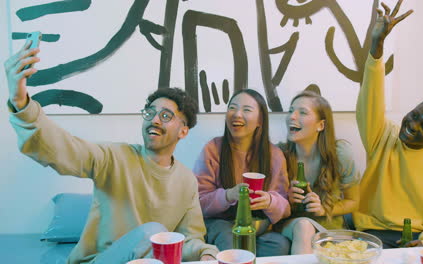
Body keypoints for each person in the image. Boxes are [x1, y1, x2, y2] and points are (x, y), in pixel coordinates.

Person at [4, 42, 218, 263]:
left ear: (183, 130)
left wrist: (206, 253)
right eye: (150, 113)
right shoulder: (114, 157)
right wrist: (21, 103)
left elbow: (188, 239)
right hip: (99, 260)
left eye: (165, 116)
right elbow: (64, 149)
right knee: (152, 233)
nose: (154, 119)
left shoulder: (186, 180)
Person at [353, 0, 423, 248]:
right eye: (415, 115)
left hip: (416, 238)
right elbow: (371, 98)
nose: (412, 126)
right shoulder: (383, 136)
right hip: (371, 234)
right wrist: (377, 44)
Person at [193, 89, 291, 256]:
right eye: (233, 108)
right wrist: (228, 195)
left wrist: (269, 201)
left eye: (246, 110)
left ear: (260, 120)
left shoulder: (273, 154)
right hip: (221, 224)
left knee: (279, 244)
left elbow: (286, 206)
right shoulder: (213, 149)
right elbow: (198, 202)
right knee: (230, 241)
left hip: (258, 226)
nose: (237, 114)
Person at [278, 91, 360, 254]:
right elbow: (269, 201)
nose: (292, 117)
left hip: (331, 230)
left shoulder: (340, 154)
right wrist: (287, 199)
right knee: (304, 225)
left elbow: (354, 201)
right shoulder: (279, 154)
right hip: (292, 226)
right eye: (291, 111)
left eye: (302, 112)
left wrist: (323, 209)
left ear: (320, 125)